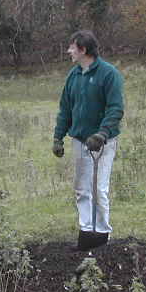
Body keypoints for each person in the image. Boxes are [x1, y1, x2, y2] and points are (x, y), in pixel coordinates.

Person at [52, 30, 124, 249]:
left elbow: (115, 108)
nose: (69, 51)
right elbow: (65, 108)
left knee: (98, 188)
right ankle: (86, 231)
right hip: (80, 140)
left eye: (72, 47)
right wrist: (58, 137)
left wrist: (102, 134)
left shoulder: (108, 74)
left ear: (83, 50)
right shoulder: (73, 76)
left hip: (103, 142)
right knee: (82, 188)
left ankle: (102, 234)